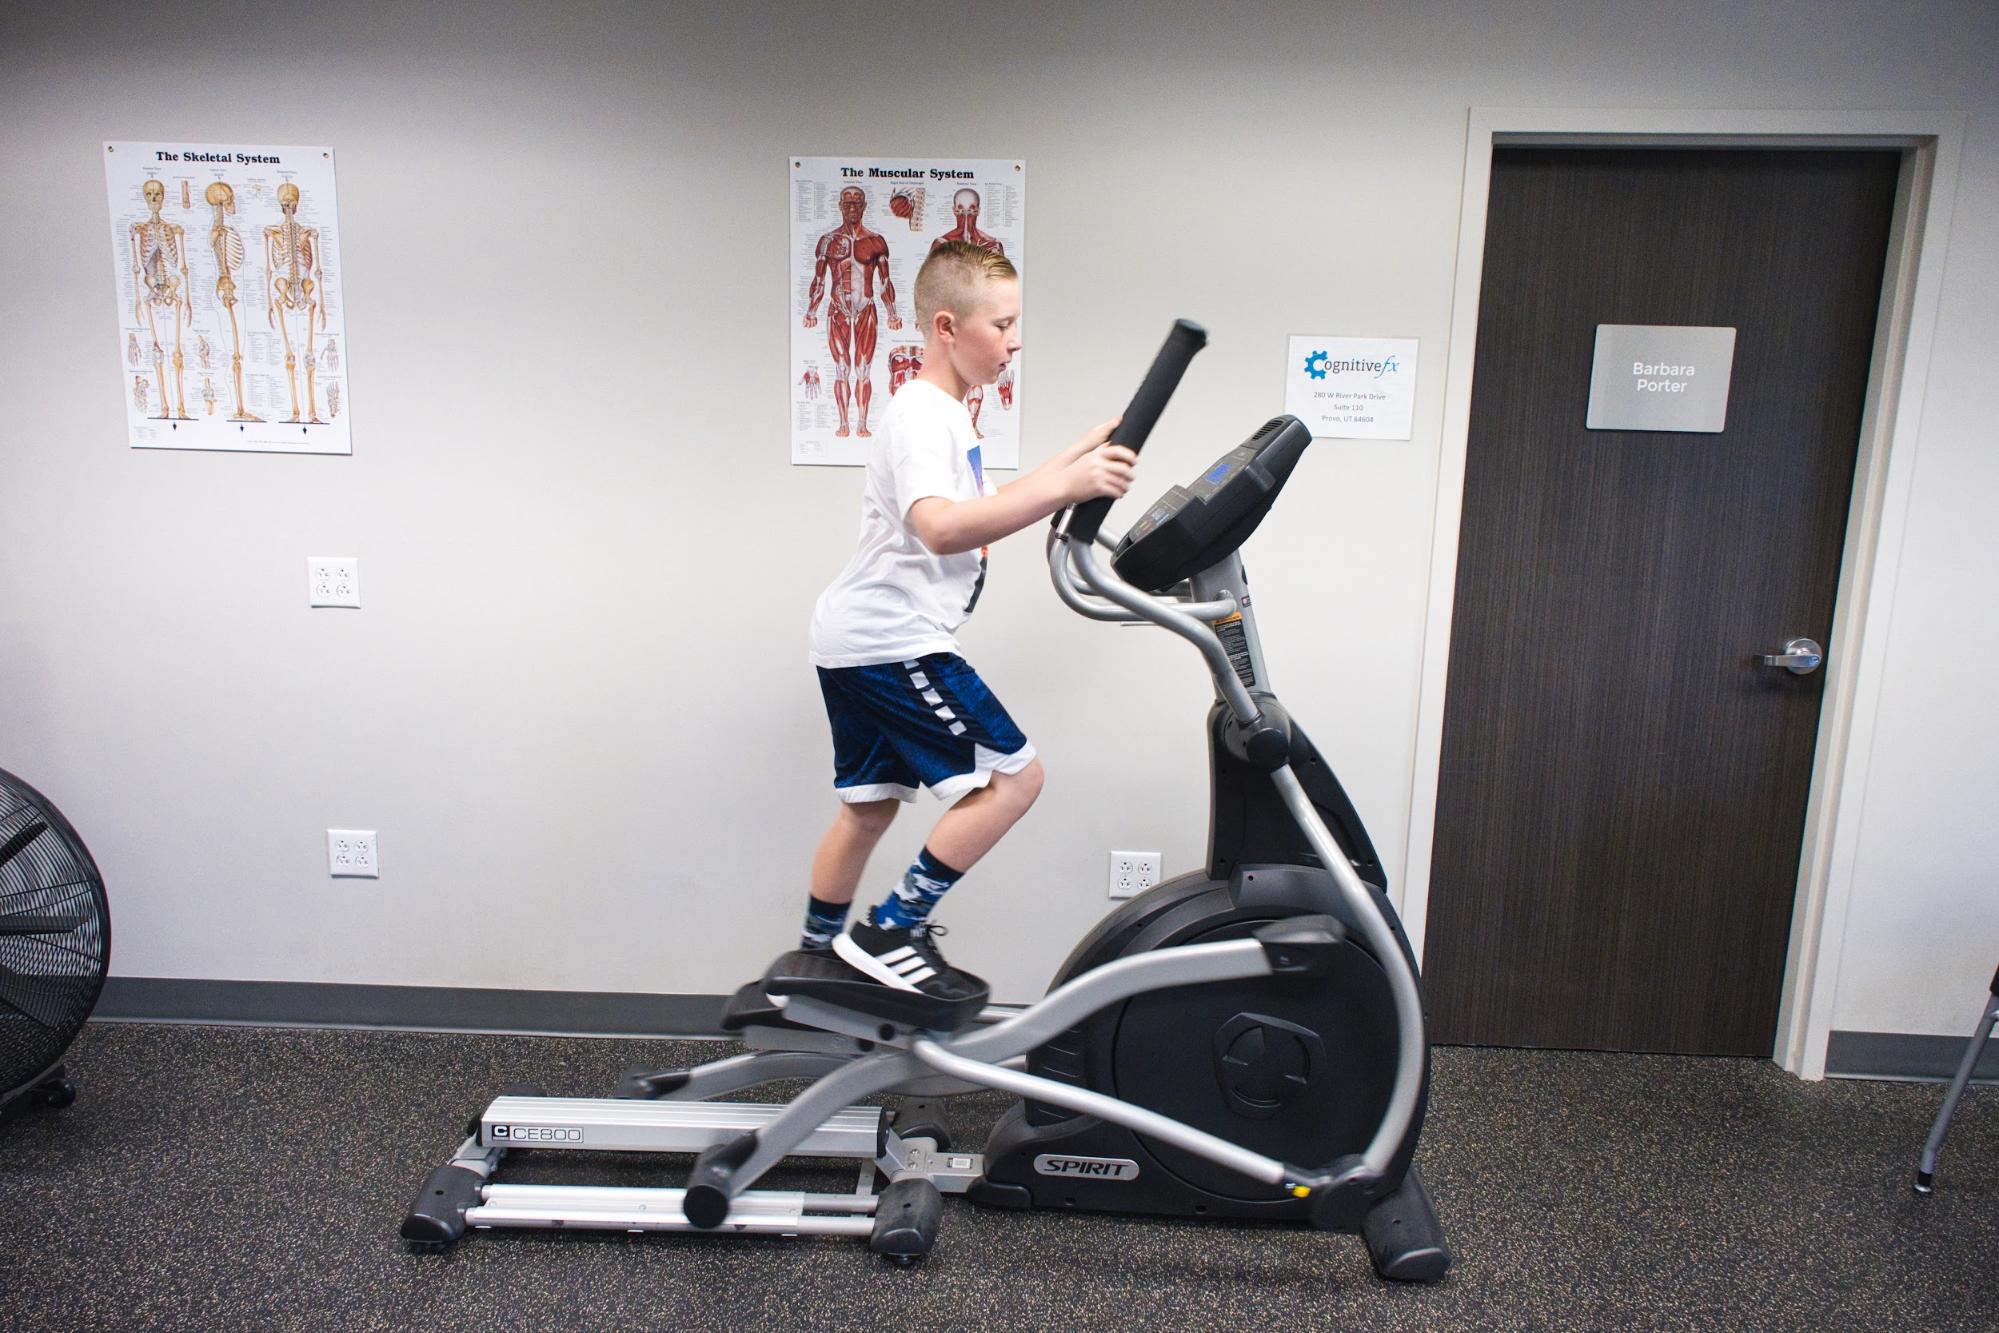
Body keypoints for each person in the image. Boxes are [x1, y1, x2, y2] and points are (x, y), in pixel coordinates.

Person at [800, 240, 1136, 998]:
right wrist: (1066, 486)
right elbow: (942, 527)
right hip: (892, 640)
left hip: (852, 637)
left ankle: (815, 958)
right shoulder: (924, 415)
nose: (1014, 341)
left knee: (868, 807)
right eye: (1002, 324)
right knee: (1016, 780)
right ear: (947, 327)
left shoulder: (942, 412)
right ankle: (893, 931)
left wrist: (1076, 458)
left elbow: (977, 509)